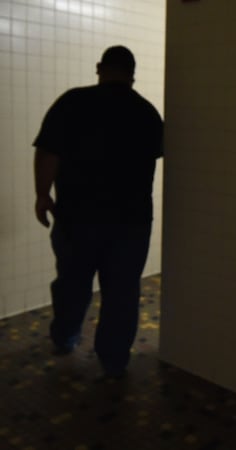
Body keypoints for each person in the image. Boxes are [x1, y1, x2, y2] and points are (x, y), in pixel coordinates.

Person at [33, 46, 163, 378]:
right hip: (130, 224)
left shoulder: (72, 102)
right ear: (132, 74)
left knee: (72, 284)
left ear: (99, 68)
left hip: (77, 219)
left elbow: (48, 154)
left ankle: (66, 338)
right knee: (122, 293)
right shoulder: (147, 113)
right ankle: (114, 361)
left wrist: (42, 196)